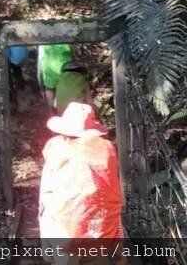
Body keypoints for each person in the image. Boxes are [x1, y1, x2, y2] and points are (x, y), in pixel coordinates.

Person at [39, 102, 125, 264]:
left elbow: (47, 188)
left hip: (65, 223)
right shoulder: (107, 149)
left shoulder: (55, 147)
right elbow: (111, 184)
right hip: (100, 224)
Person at [37, 43, 74, 108]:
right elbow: (73, 56)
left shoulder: (43, 41)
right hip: (65, 70)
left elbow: (40, 62)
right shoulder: (67, 37)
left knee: (50, 91)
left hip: (49, 72)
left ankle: (52, 113)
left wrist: (41, 88)